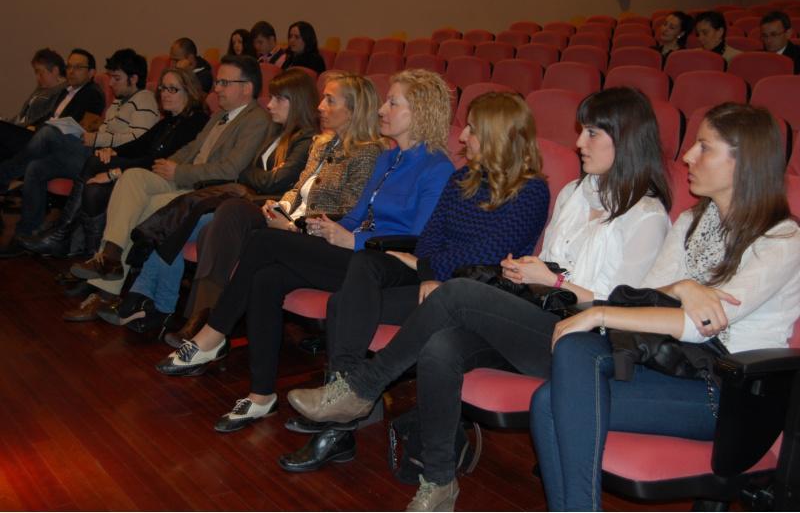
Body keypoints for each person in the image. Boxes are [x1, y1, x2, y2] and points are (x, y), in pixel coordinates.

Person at [286, 87, 673, 511]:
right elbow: (531, 261)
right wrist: (529, 271)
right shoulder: (576, 194)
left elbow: (623, 311)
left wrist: (555, 281)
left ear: (627, 139)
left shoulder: (647, 217)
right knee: (441, 346)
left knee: (458, 294)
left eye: (593, 133)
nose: (578, 142)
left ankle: (362, 387)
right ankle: (438, 482)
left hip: (581, 344)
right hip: (535, 313)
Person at [530, 102, 800, 511]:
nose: (688, 156)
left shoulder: (782, 240)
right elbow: (647, 295)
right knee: (563, 367)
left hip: (730, 395)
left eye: (704, 148)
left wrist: (599, 313)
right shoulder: (691, 221)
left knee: (552, 398)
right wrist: (683, 285)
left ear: (743, 162)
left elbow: (703, 321)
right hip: (677, 367)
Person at [155, 69, 454, 436]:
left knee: (264, 242)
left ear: (419, 112)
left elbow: (421, 237)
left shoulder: (437, 168)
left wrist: (353, 240)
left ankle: (215, 332)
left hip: (387, 266)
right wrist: (331, 230)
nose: (381, 109)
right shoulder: (387, 159)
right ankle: (261, 395)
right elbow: (358, 215)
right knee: (267, 277)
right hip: (354, 255)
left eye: (393, 102)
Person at [280, 91, 551, 472]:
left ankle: (343, 414)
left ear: (495, 134)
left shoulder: (531, 190)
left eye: (472, 128)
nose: (462, 136)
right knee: (357, 282)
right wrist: (428, 272)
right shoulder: (462, 178)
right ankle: (345, 401)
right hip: (435, 284)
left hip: (480, 298)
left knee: (347, 305)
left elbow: (490, 252)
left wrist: (432, 271)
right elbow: (429, 241)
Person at [96, 68, 321, 331]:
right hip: (241, 201)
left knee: (176, 224)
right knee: (173, 223)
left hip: (260, 209)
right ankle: (148, 302)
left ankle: (155, 305)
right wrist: (251, 174)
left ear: (297, 101)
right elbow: (251, 172)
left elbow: (273, 181)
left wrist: (250, 174)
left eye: (278, 99)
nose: (269, 104)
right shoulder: (277, 133)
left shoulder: (306, 138)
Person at [66, 55, 268, 319]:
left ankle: (109, 291)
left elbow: (231, 168)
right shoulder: (220, 114)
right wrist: (169, 164)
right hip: (184, 178)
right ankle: (112, 256)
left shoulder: (256, 119)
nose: (216, 88)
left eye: (224, 82)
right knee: (133, 178)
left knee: (148, 206)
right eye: (217, 81)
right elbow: (192, 148)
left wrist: (179, 171)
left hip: (207, 190)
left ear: (247, 88)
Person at [20, 68, 209, 258]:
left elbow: (157, 160)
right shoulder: (169, 120)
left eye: (172, 89)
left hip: (156, 177)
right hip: (141, 169)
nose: (165, 94)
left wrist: (114, 171)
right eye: (163, 88)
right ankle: (89, 253)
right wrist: (113, 151)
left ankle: (65, 235)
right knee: (93, 184)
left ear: (188, 90)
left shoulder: (196, 121)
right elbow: (139, 144)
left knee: (94, 168)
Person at [0, 48, 157, 255]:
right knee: (36, 167)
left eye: (116, 78)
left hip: (105, 160)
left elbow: (139, 140)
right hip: (92, 153)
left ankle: (5, 173)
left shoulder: (144, 99)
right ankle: (26, 231)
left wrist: (97, 138)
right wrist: (93, 134)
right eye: (110, 77)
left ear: (134, 78)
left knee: (48, 133)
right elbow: (105, 130)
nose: (111, 83)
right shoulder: (119, 101)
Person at [0, 48, 66, 162]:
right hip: (20, 129)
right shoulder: (40, 89)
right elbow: (24, 114)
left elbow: (47, 116)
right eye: (36, 73)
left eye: (40, 72)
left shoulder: (62, 91)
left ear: (55, 70)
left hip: (32, 134)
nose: (38, 77)